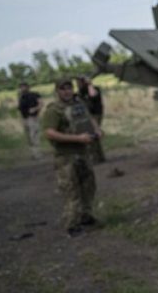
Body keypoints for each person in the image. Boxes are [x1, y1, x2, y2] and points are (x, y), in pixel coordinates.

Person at [41, 77, 102, 237]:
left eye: (69, 88)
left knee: (88, 186)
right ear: (57, 91)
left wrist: (97, 130)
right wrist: (77, 138)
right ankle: (72, 225)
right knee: (71, 190)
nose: (67, 91)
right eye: (63, 89)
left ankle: (85, 216)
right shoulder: (54, 110)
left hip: (82, 153)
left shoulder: (78, 104)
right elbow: (49, 132)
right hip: (66, 157)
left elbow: (89, 118)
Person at [76, 75, 106, 163]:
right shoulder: (80, 92)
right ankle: (98, 156)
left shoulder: (94, 89)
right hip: (88, 115)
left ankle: (97, 157)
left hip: (96, 114)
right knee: (93, 134)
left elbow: (92, 95)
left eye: (80, 82)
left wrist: (89, 84)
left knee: (94, 133)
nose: (78, 84)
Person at [17, 81, 43, 159]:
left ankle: (37, 154)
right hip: (25, 119)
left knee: (34, 136)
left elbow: (41, 104)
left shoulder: (34, 94)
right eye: (21, 87)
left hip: (33, 118)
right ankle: (33, 153)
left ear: (28, 87)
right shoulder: (21, 97)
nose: (22, 88)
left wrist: (35, 109)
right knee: (29, 137)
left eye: (24, 86)